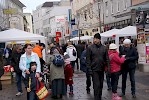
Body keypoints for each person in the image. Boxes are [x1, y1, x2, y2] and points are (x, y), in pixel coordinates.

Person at [86, 33, 110, 100]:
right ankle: (97, 98)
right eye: (94, 39)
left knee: (101, 85)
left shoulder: (104, 48)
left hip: (101, 69)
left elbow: (107, 59)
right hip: (94, 69)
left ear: (99, 39)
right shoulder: (90, 48)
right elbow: (88, 60)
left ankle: (99, 97)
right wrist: (89, 69)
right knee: (96, 86)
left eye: (96, 39)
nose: (95, 40)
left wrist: (108, 68)